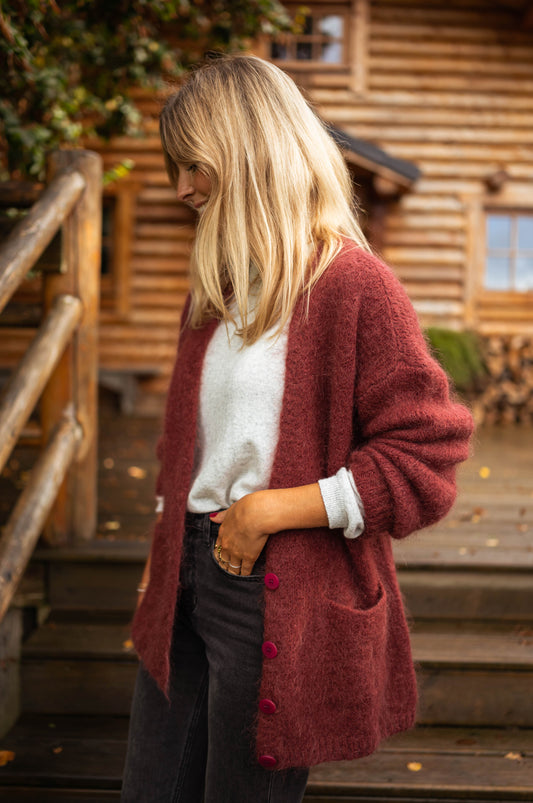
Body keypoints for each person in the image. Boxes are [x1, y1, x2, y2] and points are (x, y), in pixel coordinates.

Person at [121, 54, 474, 803]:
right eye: (173, 166)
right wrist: (161, 558)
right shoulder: (215, 296)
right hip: (183, 575)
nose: (180, 187)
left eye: (191, 163)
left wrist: (272, 508)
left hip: (271, 586)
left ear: (247, 148)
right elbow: (184, 446)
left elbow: (426, 457)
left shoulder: (354, 285)